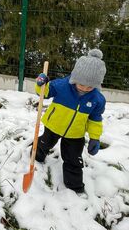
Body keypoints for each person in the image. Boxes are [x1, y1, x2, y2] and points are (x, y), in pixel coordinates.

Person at [33, 49, 107, 194]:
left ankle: (74, 187)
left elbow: (95, 120)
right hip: (54, 125)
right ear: (74, 77)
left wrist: (94, 138)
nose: (85, 89)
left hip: (75, 133)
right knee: (44, 143)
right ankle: (35, 157)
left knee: (73, 159)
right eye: (81, 84)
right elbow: (44, 92)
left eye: (90, 86)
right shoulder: (62, 85)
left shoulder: (97, 99)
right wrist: (41, 84)